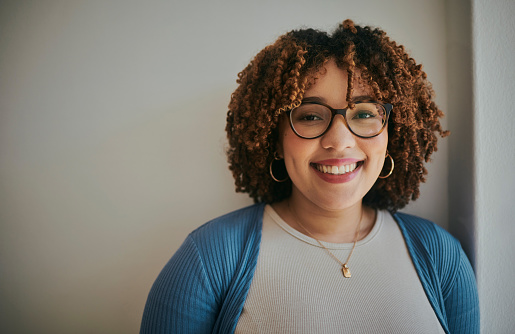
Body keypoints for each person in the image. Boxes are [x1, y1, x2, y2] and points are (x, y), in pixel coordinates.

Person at [140, 19, 479, 334]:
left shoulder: (440, 255)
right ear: (275, 137)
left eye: (363, 113)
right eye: (310, 116)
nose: (339, 141)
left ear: (393, 134)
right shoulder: (209, 257)